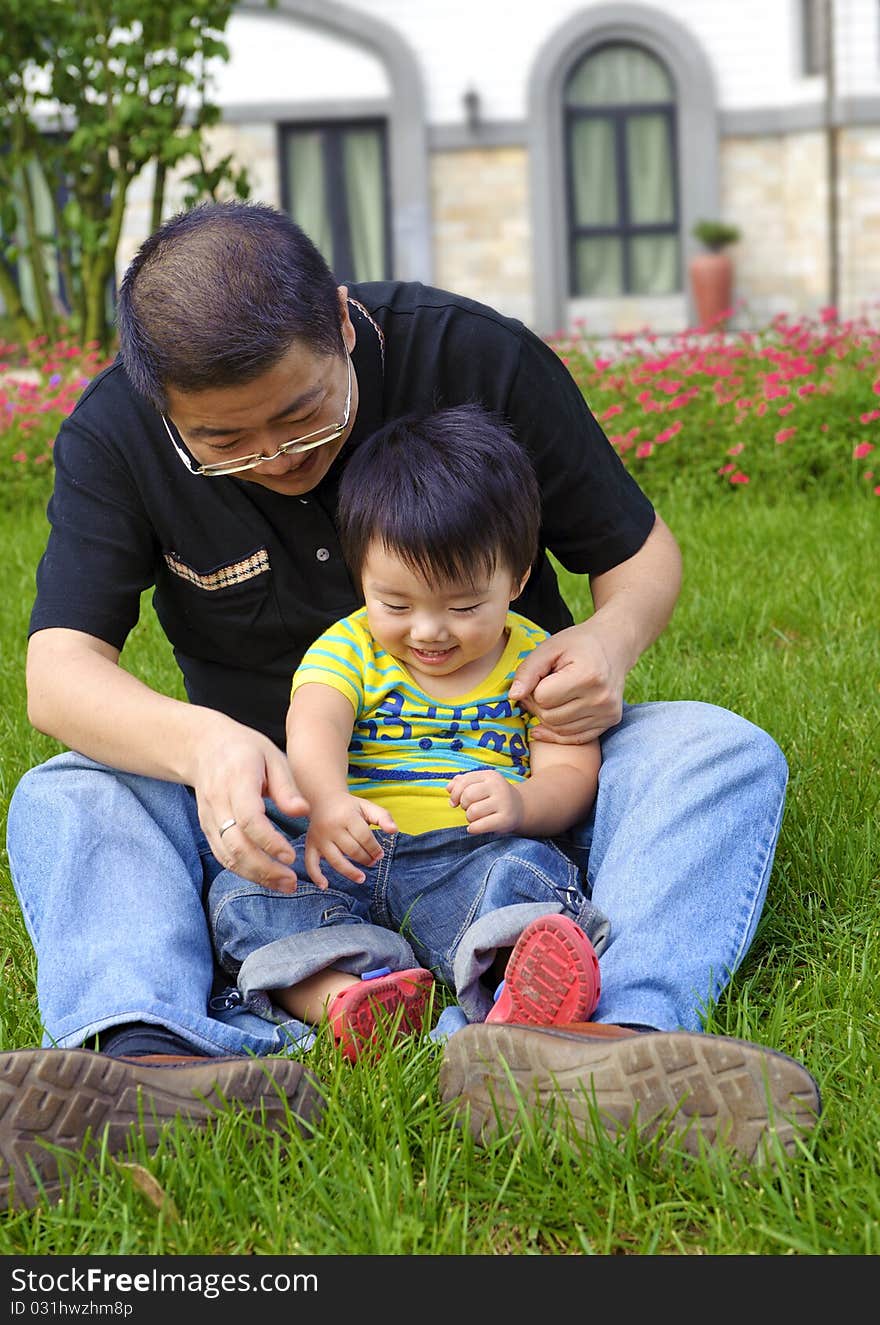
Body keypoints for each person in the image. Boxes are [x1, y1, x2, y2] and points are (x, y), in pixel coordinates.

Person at [3, 200, 820, 1208]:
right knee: (70, 792)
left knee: (718, 747)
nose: (274, 457)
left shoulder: (473, 356)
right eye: (224, 440)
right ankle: (151, 1058)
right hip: (278, 807)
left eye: (304, 415)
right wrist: (201, 743)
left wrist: (607, 643)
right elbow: (59, 670)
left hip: (509, 778)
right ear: (160, 402)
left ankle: (601, 1039)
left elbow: (637, 552)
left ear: (343, 323)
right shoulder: (116, 431)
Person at [207, 405, 606, 1062]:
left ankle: (517, 994)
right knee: (247, 893)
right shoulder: (350, 646)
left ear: (519, 575)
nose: (428, 630)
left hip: (469, 858)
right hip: (350, 854)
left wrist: (523, 804)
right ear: (361, 574)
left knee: (524, 874)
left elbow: (570, 769)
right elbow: (315, 722)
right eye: (395, 604)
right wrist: (330, 801)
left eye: (463, 606)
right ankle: (345, 998)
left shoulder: (537, 659)